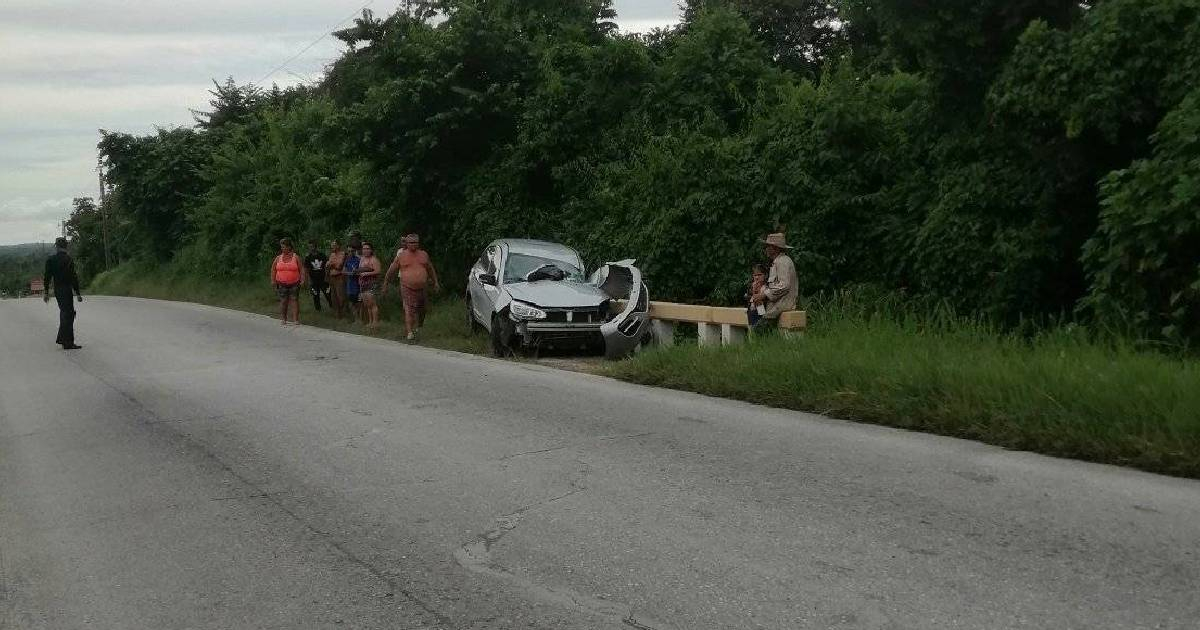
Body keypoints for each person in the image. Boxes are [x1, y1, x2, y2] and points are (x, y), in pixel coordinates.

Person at [382, 233, 441, 340]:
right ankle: (409, 332)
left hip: (422, 286)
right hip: (407, 286)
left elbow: (430, 268)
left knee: (423, 309)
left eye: (415, 242)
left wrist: (435, 282)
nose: (413, 244)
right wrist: (385, 283)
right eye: (411, 242)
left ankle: (419, 327)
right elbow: (391, 270)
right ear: (407, 244)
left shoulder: (423, 254)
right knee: (409, 309)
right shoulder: (401, 256)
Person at [751, 233, 798, 332]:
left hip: (781, 306)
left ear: (775, 248)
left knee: (758, 331)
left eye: (768, 246)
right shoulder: (778, 261)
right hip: (775, 307)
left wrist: (764, 295)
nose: (766, 249)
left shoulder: (783, 262)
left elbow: (784, 285)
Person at [43, 237, 83, 349]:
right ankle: (67, 341)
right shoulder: (68, 259)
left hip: (57, 290)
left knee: (65, 313)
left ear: (56, 247)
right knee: (69, 314)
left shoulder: (50, 260)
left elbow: (47, 277)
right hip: (66, 289)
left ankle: (64, 340)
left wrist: (46, 292)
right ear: (66, 246)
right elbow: (73, 277)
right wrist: (78, 293)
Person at [270, 238, 303, 325]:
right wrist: (273, 280)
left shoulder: (296, 257)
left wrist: (303, 279)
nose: (282, 249)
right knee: (283, 300)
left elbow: (301, 269)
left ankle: (295, 319)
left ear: (289, 247)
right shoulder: (278, 258)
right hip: (281, 283)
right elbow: (273, 269)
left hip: (294, 282)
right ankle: (283, 318)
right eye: (282, 247)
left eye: (284, 247)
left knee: (294, 299)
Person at [356, 241, 383, 329]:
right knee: (367, 304)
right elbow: (360, 269)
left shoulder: (374, 259)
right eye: (364, 249)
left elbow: (378, 271)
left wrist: (366, 274)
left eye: (367, 249)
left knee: (372, 304)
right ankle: (370, 321)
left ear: (371, 250)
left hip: (372, 283)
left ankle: (375, 323)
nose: (365, 250)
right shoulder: (362, 259)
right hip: (363, 284)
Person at [304, 240, 332, 312]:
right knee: (315, 294)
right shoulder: (308, 257)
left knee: (328, 293)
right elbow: (306, 269)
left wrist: (327, 276)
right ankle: (318, 310)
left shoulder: (322, 255)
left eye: (312, 246)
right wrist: (307, 280)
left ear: (315, 247)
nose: (311, 248)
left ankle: (332, 306)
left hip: (323, 278)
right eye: (310, 247)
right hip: (313, 279)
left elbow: (327, 266)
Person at [327, 239, 347, 318]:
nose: (332, 247)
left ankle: (344, 312)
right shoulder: (332, 255)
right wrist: (331, 265)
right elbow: (327, 265)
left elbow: (339, 266)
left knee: (341, 296)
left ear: (338, 246)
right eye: (332, 245)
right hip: (332, 277)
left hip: (339, 277)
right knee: (333, 297)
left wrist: (332, 265)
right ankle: (337, 314)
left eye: (334, 245)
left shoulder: (343, 254)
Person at [343, 240, 361, 322]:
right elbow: (343, 271)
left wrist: (356, 272)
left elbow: (361, 271)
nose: (350, 252)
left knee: (358, 302)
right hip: (350, 284)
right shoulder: (347, 260)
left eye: (352, 251)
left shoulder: (359, 259)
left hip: (357, 284)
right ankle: (356, 318)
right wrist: (350, 273)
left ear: (355, 251)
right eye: (349, 251)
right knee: (351, 302)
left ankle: (360, 319)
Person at [746, 263, 769, 327]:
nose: (756, 277)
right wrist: (753, 291)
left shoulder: (767, 288)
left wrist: (757, 292)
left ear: (765, 275)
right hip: (751, 314)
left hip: (762, 314)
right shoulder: (751, 287)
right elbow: (749, 303)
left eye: (759, 275)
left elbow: (761, 311)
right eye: (755, 275)